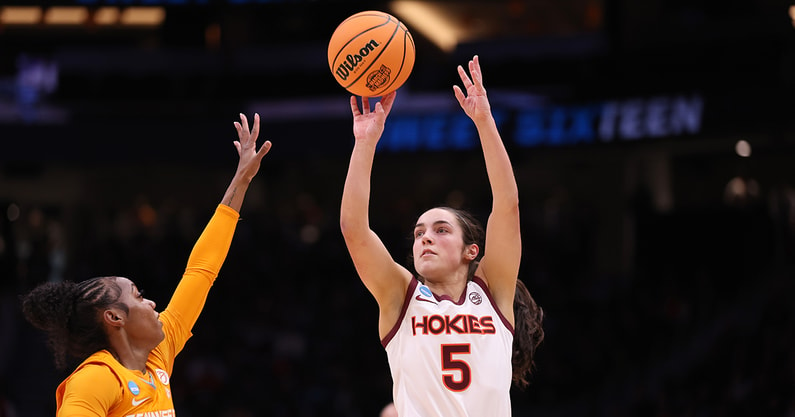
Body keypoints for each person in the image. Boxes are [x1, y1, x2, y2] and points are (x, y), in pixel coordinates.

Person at [21, 112, 272, 416]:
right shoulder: (95, 379)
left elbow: (201, 271)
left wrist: (241, 181)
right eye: (138, 296)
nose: (153, 303)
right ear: (114, 317)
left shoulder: (157, 356)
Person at [340, 55, 545, 416]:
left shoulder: (493, 291)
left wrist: (484, 121)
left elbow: (507, 204)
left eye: (440, 230)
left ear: (471, 251)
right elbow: (354, 230)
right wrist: (365, 142)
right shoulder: (399, 297)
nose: (425, 238)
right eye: (418, 233)